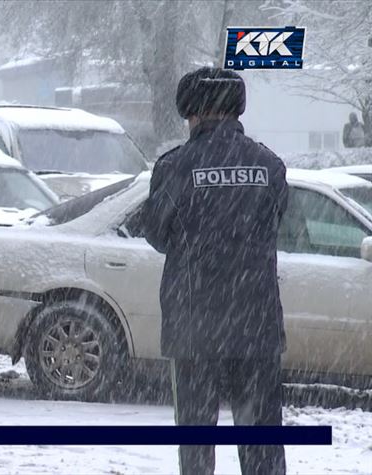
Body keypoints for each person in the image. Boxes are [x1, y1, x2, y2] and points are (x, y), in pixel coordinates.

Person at [143, 67, 288, 475]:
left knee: (195, 439)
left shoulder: (176, 166)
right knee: (262, 439)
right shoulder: (269, 165)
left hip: (195, 329)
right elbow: (276, 221)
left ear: (192, 113)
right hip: (256, 325)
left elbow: (155, 231)